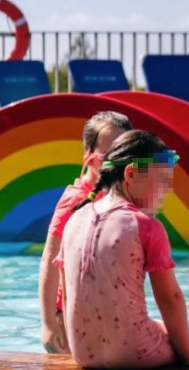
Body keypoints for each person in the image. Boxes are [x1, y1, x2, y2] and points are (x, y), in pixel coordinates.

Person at [57, 129, 189, 370]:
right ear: (131, 174)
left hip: (83, 353)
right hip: (136, 353)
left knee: (159, 327)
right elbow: (169, 297)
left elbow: (69, 294)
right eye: (163, 180)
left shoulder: (75, 218)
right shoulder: (145, 225)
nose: (168, 189)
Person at [38, 110, 132, 354]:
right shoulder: (77, 200)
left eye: (122, 156)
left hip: (106, 315)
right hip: (71, 318)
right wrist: (48, 323)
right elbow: (50, 258)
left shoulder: (124, 199)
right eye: (107, 156)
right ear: (88, 156)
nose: (115, 164)